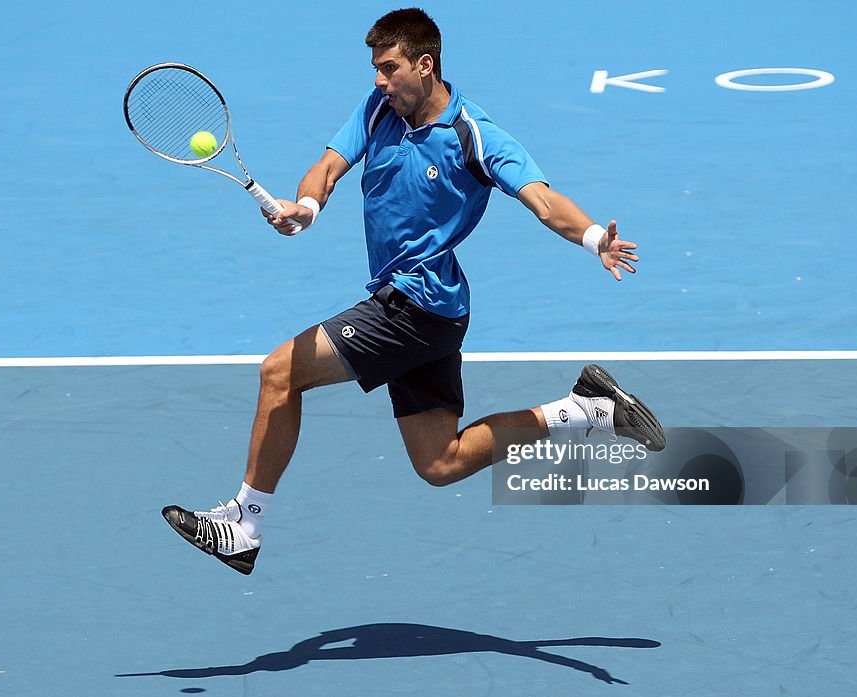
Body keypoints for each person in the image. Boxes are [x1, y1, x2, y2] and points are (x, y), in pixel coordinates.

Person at [162, 8, 665, 575]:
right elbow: (327, 166)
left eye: (388, 67)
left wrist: (596, 238)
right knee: (440, 462)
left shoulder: (473, 135)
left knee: (279, 371)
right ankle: (586, 410)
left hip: (414, 306)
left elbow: (543, 201)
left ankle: (244, 524)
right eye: (375, 68)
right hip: (433, 311)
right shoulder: (380, 108)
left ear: (425, 66)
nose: (378, 79)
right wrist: (306, 207)